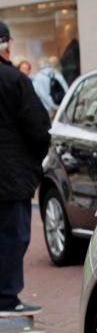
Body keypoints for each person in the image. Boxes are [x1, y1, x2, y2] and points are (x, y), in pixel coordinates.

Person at [0, 21, 52, 316]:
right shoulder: (14, 80)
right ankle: (6, 299)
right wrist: (34, 162)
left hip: (11, 172)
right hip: (10, 175)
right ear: (6, 45)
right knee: (12, 236)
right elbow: (37, 127)